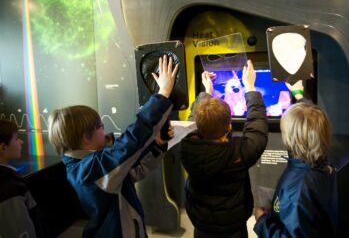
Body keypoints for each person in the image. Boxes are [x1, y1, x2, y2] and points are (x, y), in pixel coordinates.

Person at [48, 55, 178, 238]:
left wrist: (157, 145)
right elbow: (130, 143)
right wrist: (163, 93)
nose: (104, 129)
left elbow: (133, 171)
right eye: (100, 126)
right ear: (86, 137)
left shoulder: (86, 166)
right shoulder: (89, 170)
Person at [181, 60, 269, 238]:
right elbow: (257, 129)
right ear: (229, 127)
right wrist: (250, 87)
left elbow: (191, 122)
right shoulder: (238, 152)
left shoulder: (186, 146)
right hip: (233, 228)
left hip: (202, 225)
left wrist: (206, 91)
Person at [253, 81, 337, 238]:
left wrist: (261, 222)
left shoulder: (297, 191)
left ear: (292, 139)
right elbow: (310, 124)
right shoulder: (320, 160)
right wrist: (299, 95)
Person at [0, 119, 49, 238]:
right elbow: (20, 231)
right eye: (16, 139)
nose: (21, 142)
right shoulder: (10, 188)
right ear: (3, 147)